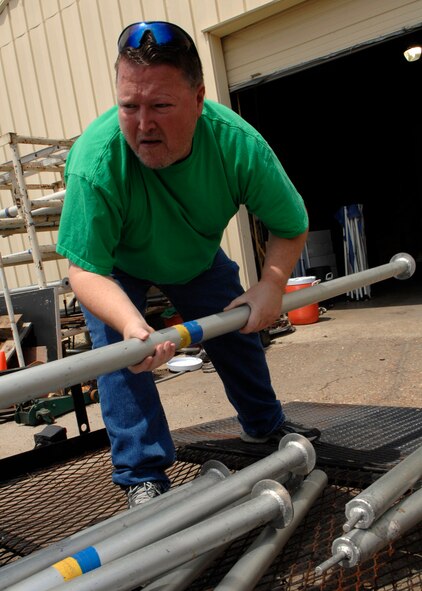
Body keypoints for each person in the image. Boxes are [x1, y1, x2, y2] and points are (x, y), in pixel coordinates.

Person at [57, 21, 316, 508]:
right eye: (129, 107)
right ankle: (141, 475)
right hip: (117, 267)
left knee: (238, 325)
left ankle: (264, 425)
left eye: (160, 106)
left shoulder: (237, 145)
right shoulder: (95, 160)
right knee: (119, 354)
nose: (142, 124)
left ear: (198, 99)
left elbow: (291, 223)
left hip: (195, 256)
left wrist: (273, 284)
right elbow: (85, 268)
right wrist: (135, 326)